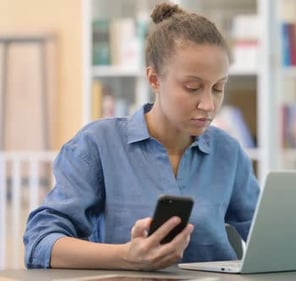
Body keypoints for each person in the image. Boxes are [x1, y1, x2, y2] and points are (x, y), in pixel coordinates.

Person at [23, 1, 260, 270]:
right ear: (154, 79)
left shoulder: (228, 152)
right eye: (192, 87)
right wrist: (126, 256)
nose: (208, 104)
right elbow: (39, 244)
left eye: (218, 88)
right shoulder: (99, 144)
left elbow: (268, 237)